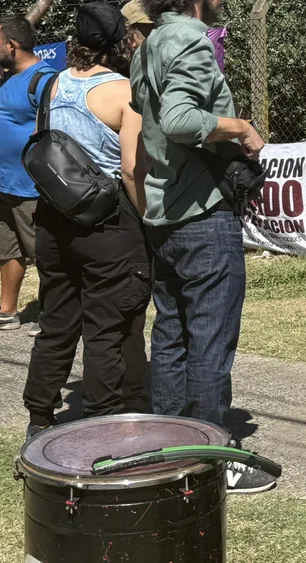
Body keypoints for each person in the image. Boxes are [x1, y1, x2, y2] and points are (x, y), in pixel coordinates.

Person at [132, 0, 275, 492]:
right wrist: (241, 127)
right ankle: (210, 460)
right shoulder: (191, 39)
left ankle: (169, 450)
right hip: (202, 215)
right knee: (209, 341)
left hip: (163, 213)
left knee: (171, 337)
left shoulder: (149, 42)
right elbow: (177, 120)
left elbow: (149, 118)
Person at [21, 2, 151, 439]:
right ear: (121, 42)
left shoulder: (52, 84)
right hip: (107, 224)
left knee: (56, 322)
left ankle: (40, 415)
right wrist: (147, 219)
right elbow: (131, 169)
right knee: (106, 326)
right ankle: (101, 419)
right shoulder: (124, 91)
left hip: (54, 219)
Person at [0, 16, 54, 334]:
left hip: (30, 186)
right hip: (3, 184)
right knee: (7, 250)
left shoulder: (43, 79)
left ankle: (54, 316)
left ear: (11, 45)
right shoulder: (7, 78)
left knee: (44, 253)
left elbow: (53, 130)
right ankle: (7, 310)